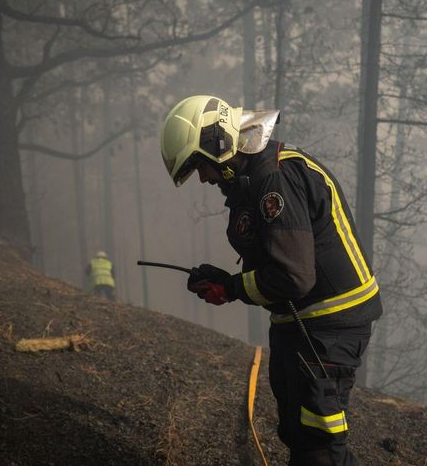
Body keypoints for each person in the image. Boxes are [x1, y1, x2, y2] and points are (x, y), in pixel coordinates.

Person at [160, 95, 382, 466]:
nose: (203, 178)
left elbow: (293, 277)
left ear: (219, 144)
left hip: (329, 327)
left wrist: (232, 289)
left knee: (318, 445)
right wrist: (228, 281)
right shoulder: (256, 175)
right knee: (300, 433)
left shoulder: (273, 178)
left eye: (200, 165)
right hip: (301, 324)